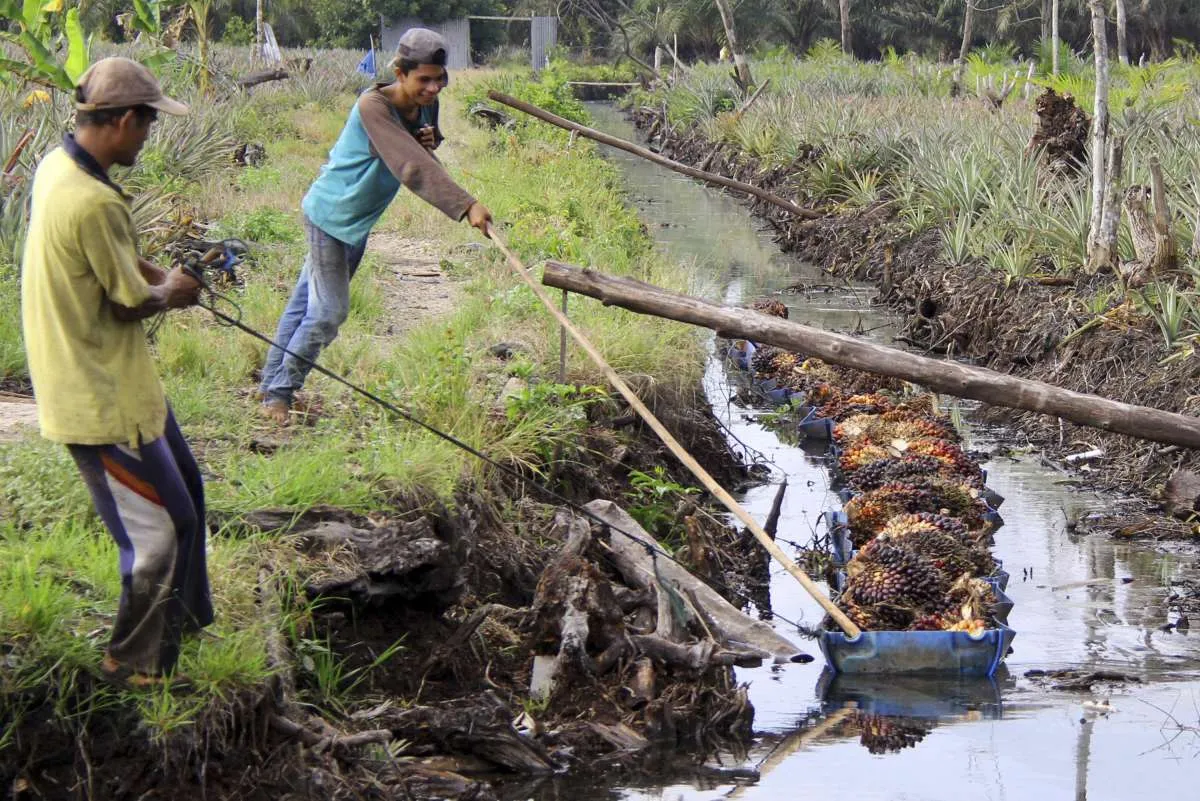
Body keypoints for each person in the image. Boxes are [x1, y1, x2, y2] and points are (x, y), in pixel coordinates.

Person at [20, 57, 213, 688]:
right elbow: (126, 301)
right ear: (125, 120)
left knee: (190, 494)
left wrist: (152, 270)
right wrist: (172, 292)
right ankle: (131, 666)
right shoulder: (97, 201)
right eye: (148, 126)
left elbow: (106, 264)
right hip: (97, 396)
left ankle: (178, 631)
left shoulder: (58, 166)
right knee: (160, 534)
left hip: (122, 382)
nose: (148, 137)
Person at [257, 28, 492, 424]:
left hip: (358, 221)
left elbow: (425, 149)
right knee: (329, 312)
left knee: (304, 305)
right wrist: (465, 204)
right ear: (400, 73)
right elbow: (411, 166)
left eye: (440, 79)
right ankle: (279, 395)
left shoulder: (426, 103)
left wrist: (431, 140)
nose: (434, 88)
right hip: (330, 216)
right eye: (424, 79)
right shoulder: (373, 106)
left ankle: (270, 386)